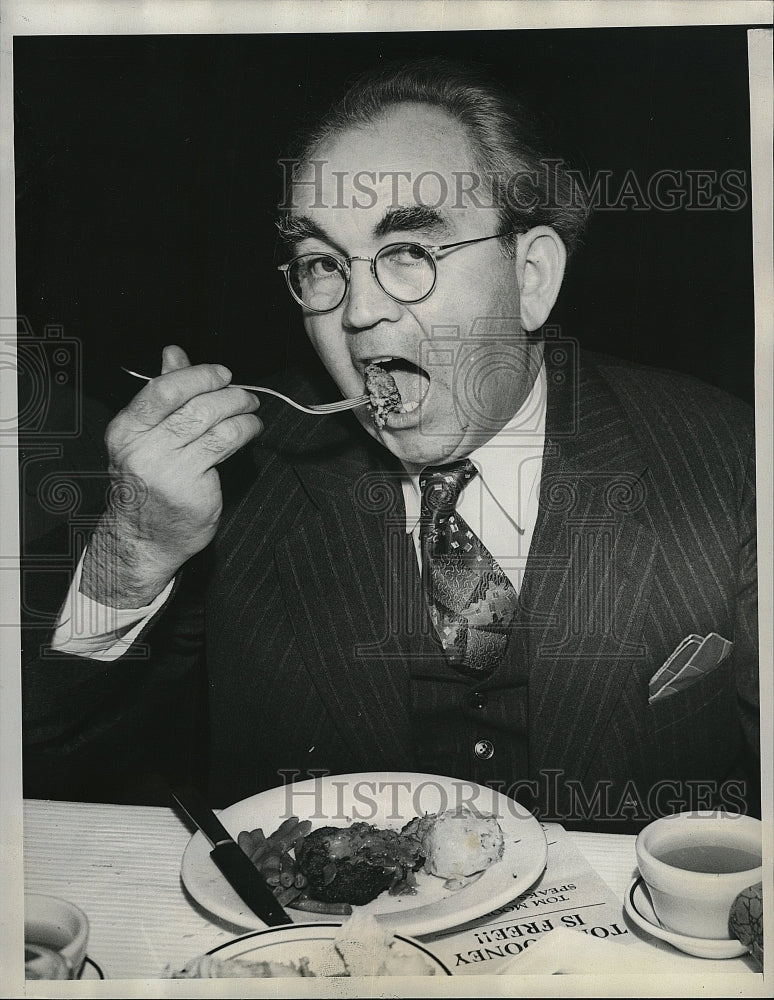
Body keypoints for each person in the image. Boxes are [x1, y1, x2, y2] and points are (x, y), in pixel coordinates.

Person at [21, 59, 759, 830]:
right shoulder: (240, 473)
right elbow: (45, 756)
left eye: (409, 250)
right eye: (322, 265)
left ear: (532, 275)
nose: (359, 311)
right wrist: (132, 553)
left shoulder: (723, 453)